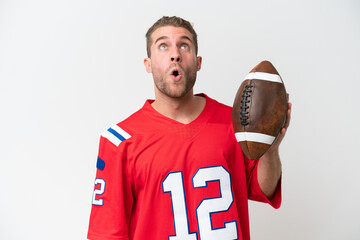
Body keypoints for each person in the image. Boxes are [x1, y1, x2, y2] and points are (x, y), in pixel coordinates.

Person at [87, 16, 291, 240]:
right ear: (148, 64)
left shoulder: (234, 123)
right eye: (163, 46)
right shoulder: (120, 141)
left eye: (184, 45)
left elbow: (266, 189)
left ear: (197, 62)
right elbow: (106, 234)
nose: (175, 54)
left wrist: (270, 149)